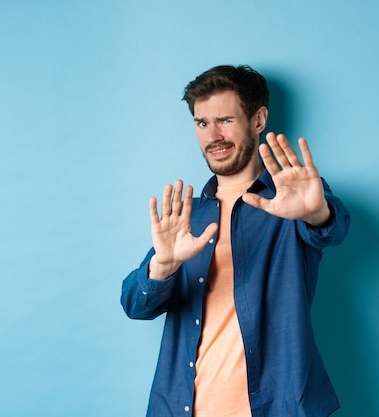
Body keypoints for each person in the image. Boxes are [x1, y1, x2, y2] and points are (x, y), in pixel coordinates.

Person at [121, 65, 351, 417]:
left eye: (225, 120)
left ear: (258, 120)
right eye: (202, 123)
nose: (213, 135)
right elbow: (136, 305)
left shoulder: (292, 202)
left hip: (275, 408)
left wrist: (317, 213)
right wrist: (162, 267)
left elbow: (332, 227)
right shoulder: (188, 216)